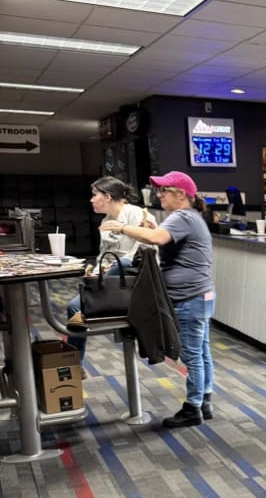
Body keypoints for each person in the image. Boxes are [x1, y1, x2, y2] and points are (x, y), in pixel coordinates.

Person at [101, 170, 215, 428]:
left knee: (192, 355)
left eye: (164, 190)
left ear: (181, 195)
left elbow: (156, 239)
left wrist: (122, 226)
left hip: (189, 298)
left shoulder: (183, 216)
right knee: (202, 352)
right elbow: (163, 236)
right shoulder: (188, 217)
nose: (159, 194)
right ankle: (204, 400)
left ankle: (193, 408)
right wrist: (153, 228)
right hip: (201, 295)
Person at [67, 176, 147, 365]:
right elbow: (105, 254)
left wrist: (109, 269)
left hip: (130, 280)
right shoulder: (106, 220)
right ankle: (75, 363)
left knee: (76, 306)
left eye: (95, 195)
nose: (91, 200)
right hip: (111, 278)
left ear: (108, 196)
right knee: (74, 306)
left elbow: (143, 249)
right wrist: (95, 272)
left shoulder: (135, 213)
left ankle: (74, 363)